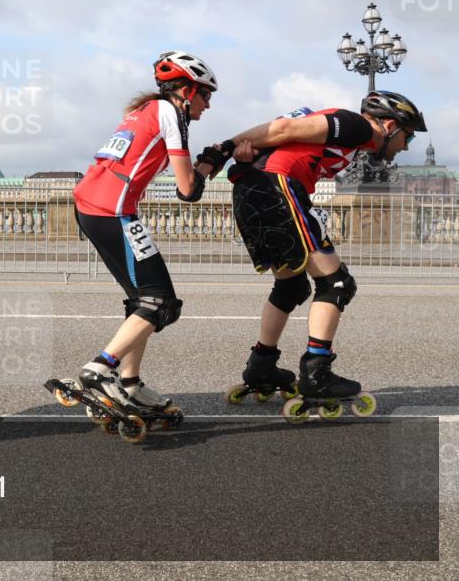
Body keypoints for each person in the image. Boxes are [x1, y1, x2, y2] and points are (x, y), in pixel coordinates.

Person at [224, 90, 427, 405]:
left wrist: (231, 153)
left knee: (291, 287)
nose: (406, 147)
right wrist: (221, 149)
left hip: (256, 190)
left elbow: (284, 128)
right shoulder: (357, 126)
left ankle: (261, 366)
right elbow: (282, 129)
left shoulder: (351, 138)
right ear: (389, 126)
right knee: (336, 284)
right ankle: (316, 374)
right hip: (277, 188)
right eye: (408, 137)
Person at [72, 51, 233, 413]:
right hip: (113, 211)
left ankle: (129, 383)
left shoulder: (143, 111)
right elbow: (188, 190)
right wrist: (209, 165)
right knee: (160, 302)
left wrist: (205, 164)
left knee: (140, 300)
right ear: (187, 91)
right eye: (207, 95)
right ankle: (100, 369)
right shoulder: (170, 113)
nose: (208, 105)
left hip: (93, 207)